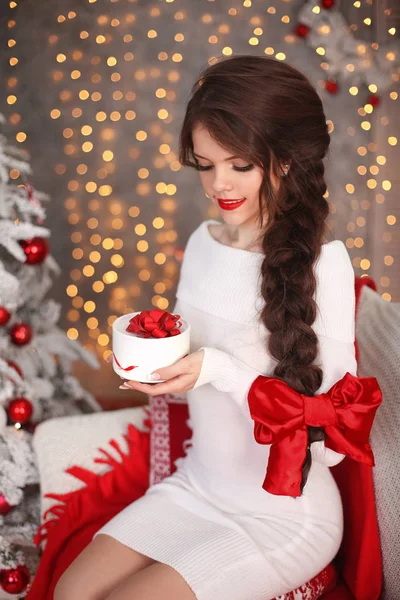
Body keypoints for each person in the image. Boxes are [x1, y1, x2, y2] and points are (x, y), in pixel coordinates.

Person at [54, 55, 364, 600]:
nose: (219, 184)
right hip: (196, 486)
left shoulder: (326, 264)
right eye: (205, 164)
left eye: (240, 165)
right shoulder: (203, 242)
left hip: (284, 514)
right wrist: (148, 357)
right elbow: (193, 356)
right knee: (69, 593)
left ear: (286, 160)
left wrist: (218, 370)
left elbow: (329, 442)